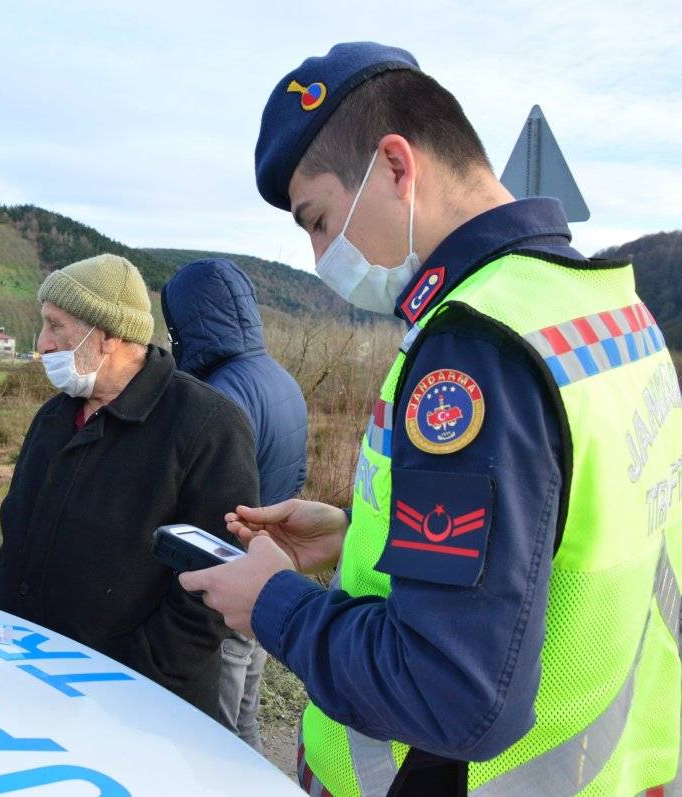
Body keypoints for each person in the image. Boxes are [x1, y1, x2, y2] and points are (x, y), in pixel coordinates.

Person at [180, 42, 681, 796]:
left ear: (394, 166)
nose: (321, 257)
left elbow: (449, 689)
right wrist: (359, 535)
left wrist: (272, 601)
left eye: (317, 221)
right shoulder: (611, 310)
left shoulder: (475, 349)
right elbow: (560, 536)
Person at [0, 253, 259, 717]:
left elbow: (211, 589)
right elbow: (18, 542)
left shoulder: (207, 426)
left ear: (110, 334)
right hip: (27, 680)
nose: (42, 344)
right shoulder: (54, 418)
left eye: (56, 326)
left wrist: (130, 681)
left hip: (136, 707)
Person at [162, 257, 308, 751]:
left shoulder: (217, 396)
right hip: (272, 566)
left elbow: (206, 502)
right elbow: (297, 475)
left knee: (219, 726)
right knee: (246, 706)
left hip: (231, 579)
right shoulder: (280, 379)